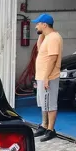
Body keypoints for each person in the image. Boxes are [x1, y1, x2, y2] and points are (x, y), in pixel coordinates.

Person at [32, 13, 62, 142]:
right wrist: (41, 34)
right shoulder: (47, 37)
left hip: (49, 77)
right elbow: (40, 49)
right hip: (42, 76)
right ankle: (44, 125)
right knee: (44, 103)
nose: (35, 27)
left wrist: (46, 77)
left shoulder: (54, 38)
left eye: (37, 24)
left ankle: (50, 130)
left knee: (50, 104)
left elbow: (52, 58)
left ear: (44, 24)